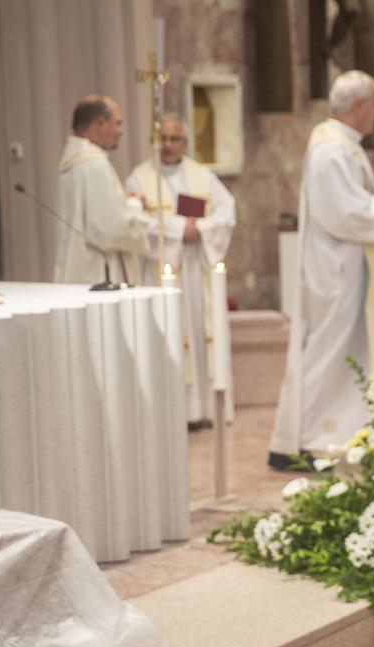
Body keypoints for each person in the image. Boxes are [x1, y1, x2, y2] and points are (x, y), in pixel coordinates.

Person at [269, 70, 374, 468]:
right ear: (358, 106)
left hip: (345, 267)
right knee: (325, 353)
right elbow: (345, 213)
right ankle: (298, 440)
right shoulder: (331, 150)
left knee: (349, 353)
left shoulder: (344, 145)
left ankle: (348, 428)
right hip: (334, 271)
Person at [124, 115, 237, 429]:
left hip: (196, 268)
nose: (169, 146)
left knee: (201, 333)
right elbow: (133, 221)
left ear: (185, 142)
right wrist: (177, 229)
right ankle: (170, 410)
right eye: (163, 139)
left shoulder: (202, 176)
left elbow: (228, 212)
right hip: (162, 268)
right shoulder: (138, 179)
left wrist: (200, 227)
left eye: (175, 139)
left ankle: (204, 408)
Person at [55, 95, 148, 285]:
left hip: (79, 264)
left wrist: (120, 200)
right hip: (99, 273)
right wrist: (134, 204)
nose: (120, 131)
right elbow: (111, 230)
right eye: (117, 123)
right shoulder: (94, 165)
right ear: (100, 123)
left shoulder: (73, 162)